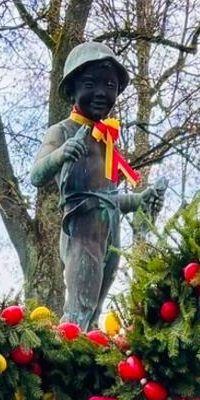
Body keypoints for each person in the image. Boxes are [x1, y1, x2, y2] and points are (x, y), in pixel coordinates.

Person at [28, 43, 166, 329]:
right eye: (91, 84)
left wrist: (139, 200)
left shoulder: (107, 140)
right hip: (81, 228)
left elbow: (109, 197)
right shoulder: (62, 131)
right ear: (73, 88)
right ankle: (66, 360)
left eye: (110, 85)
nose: (102, 93)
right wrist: (62, 153)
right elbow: (36, 175)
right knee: (79, 306)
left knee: (95, 309)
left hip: (109, 232)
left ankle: (88, 356)